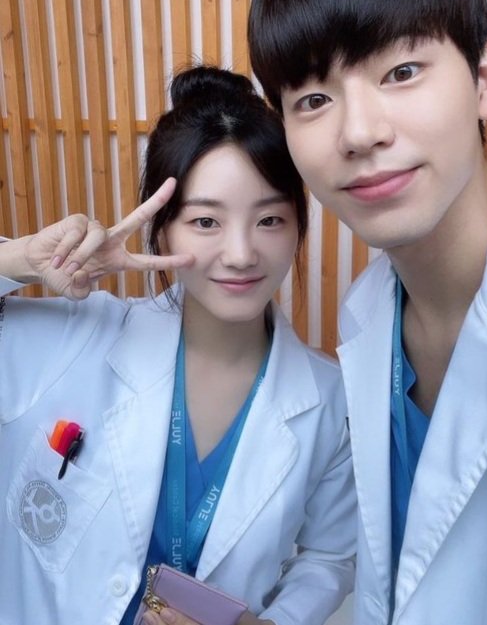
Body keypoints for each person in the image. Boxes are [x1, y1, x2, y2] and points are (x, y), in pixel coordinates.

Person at [247, 0, 487, 625]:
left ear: (484, 76)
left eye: (401, 71)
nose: (359, 132)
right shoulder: (367, 311)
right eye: (313, 98)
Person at [0, 66, 356, 625]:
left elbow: (329, 557)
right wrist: (21, 259)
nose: (241, 253)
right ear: (162, 228)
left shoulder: (329, 399)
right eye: (206, 221)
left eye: (269, 219)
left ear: (298, 227)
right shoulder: (73, 338)